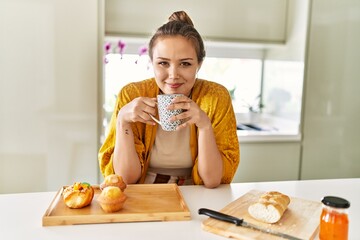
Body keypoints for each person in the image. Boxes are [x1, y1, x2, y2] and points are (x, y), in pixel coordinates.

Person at [98, 11, 239, 188]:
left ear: (199, 64)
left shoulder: (216, 97)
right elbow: (125, 179)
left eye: (185, 64)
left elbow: (212, 181)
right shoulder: (131, 95)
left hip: (195, 191)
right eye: (163, 63)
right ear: (151, 62)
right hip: (145, 190)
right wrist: (122, 122)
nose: (173, 76)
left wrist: (204, 125)